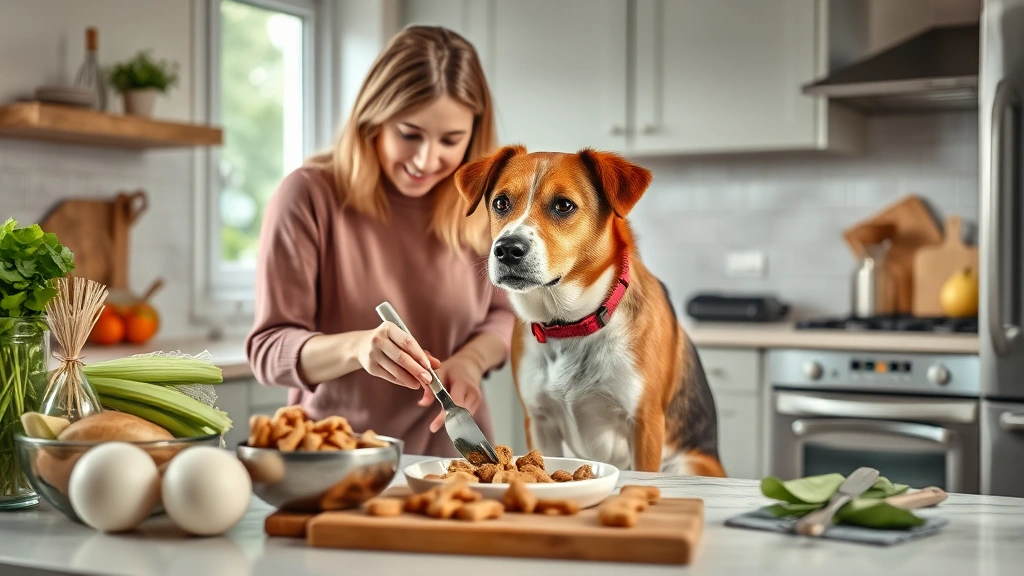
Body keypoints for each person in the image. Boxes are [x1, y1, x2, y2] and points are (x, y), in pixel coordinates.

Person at [245, 25, 515, 458]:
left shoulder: (485, 204)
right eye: (409, 133)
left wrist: (471, 360)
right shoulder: (308, 196)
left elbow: (504, 315)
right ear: (373, 117)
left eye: (450, 140)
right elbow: (269, 349)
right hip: (334, 462)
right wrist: (358, 348)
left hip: (454, 463)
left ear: (474, 135)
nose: (427, 160)